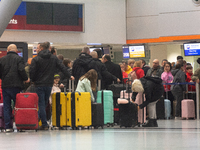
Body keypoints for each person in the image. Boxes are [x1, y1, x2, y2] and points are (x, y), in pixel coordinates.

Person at [30, 42, 72, 130]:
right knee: (45, 103)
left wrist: (33, 80)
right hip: (49, 84)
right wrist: (69, 75)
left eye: (38, 48)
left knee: (41, 104)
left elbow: (32, 72)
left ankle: (44, 123)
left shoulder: (36, 59)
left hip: (39, 84)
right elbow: (62, 67)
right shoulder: (54, 58)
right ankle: (40, 121)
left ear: (41, 48)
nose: (37, 49)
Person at [0, 44, 30, 132]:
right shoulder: (19, 59)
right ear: (16, 50)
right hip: (16, 86)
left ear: (8, 49)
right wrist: (25, 79)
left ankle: (8, 127)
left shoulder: (2, 59)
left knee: (7, 106)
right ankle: (19, 125)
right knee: (18, 106)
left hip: (5, 85)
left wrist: (4, 78)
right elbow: (21, 70)